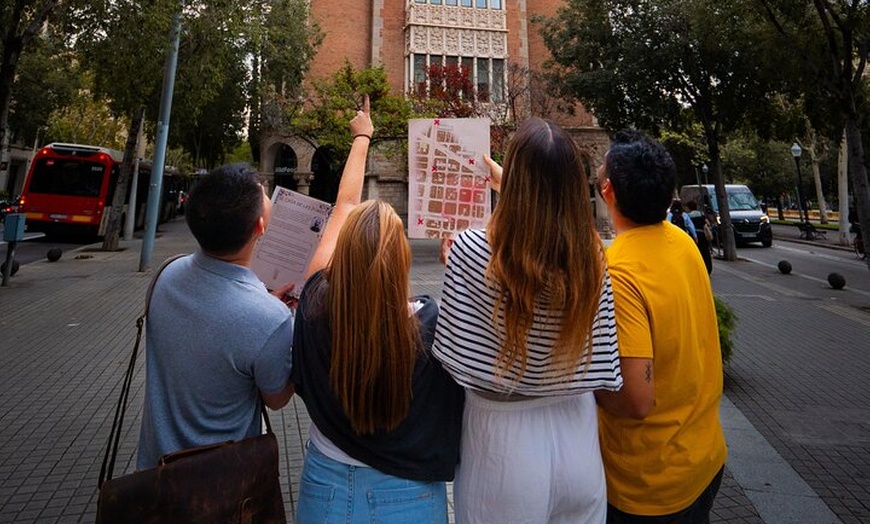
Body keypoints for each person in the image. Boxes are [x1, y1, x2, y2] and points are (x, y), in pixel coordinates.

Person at [432, 117, 623, 523]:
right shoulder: (591, 258)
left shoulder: (470, 248)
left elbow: (451, 358)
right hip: (578, 436)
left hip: (502, 442)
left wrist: (459, 267)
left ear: (515, 181)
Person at [290, 98, 465, 524]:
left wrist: (362, 137)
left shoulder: (314, 303)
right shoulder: (435, 326)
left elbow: (344, 208)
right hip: (410, 500)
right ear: (402, 260)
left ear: (342, 256)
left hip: (323, 491)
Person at [594, 130, 726, 523]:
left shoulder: (620, 273)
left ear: (607, 191)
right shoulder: (681, 241)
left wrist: (583, 386)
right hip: (703, 458)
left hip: (650, 486)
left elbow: (636, 400)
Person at [137, 163, 295, 469]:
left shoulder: (165, 274)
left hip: (155, 476)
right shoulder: (268, 317)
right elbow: (276, 399)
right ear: (260, 228)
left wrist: (264, 311)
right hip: (222, 486)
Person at [686, 200, 713, 274]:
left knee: (696, 253)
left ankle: (697, 269)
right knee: (705, 253)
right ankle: (708, 268)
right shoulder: (701, 214)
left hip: (693, 236)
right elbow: (707, 223)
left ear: (689, 207)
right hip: (702, 235)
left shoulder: (688, 215)